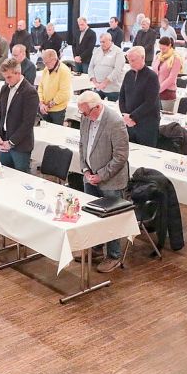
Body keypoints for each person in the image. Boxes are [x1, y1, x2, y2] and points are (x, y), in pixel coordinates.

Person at [77, 90, 130, 272]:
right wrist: (85, 169)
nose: (82, 116)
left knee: (111, 219)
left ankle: (113, 256)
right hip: (90, 176)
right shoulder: (86, 118)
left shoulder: (115, 122)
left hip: (111, 181)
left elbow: (120, 157)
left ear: (97, 107)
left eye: (85, 112)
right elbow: (82, 144)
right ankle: (97, 247)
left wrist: (101, 175)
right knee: (92, 214)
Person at [0, 58, 39, 173]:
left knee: (20, 180)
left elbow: (28, 123)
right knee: (4, 176)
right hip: (3, 142)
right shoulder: (4, 88)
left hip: (20, 146)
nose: (7, 80)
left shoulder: (30, 92)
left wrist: (11, 142)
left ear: (18, 73)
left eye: (9, 77)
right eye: (5, 77)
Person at [119, 46, 161, 146]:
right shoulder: (129, 74)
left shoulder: (151, 76)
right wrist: (125, 115)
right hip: (129, 121)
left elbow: (150, 102)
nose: (130, 63)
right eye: (129, 60)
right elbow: (122, 96)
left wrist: (132, 117)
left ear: (142, 58)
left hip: (147, 122)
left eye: (133, 60)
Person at [37, 49, 71, 125]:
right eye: (44, 62)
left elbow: (64, 93)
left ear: (54, 59)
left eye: (47, 62)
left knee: (56, 134)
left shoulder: (64, 71)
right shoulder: (46, 69)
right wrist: (41, 103)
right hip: (44, 108)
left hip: (57, 110)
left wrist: (48, 105)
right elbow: (40, 87)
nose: (45, 65)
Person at [89, 33, 125, 102]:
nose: (102, 44)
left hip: (113, 89)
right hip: (98, 88)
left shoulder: (118, 52)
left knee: (113, 110)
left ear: (110, 41)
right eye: (100, 42)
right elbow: (90, 67)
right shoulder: (97, 50)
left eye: (104, 42)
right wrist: (95, 82)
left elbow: (117, 70)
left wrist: (104, 83)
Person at [152, 36, 182, 112]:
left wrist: (158, 89)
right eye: (160, 48)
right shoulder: (158, 56)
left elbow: (171, 78)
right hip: (155, 92)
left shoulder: (176, 58)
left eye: (164, 48)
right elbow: (154, 72)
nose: (162, 50)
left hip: (168, 93)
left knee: (166, 118)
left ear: (169, 45)